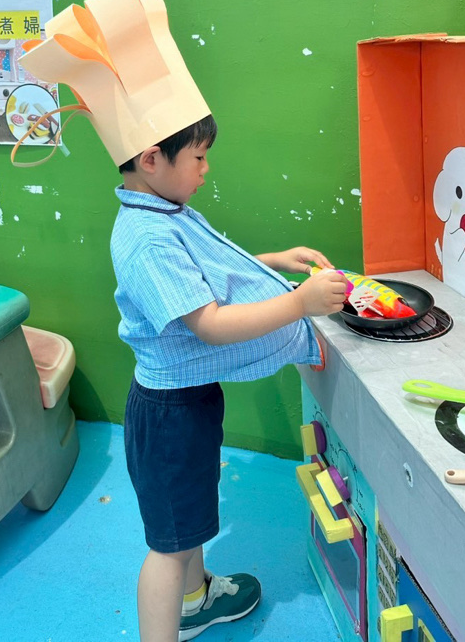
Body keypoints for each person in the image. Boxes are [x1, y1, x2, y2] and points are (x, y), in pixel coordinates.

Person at [111, 112, 347, 642]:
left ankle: (196, 601)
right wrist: (299, 304)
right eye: (198, 157)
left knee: (187, 520)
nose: (206, 169)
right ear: (151, 159)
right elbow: (211, 324)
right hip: (168, 416)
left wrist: (273, 261)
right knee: (169, 548)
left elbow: (200, 279)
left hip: (184, 402)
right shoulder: (148, 237)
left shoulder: (161, 212)